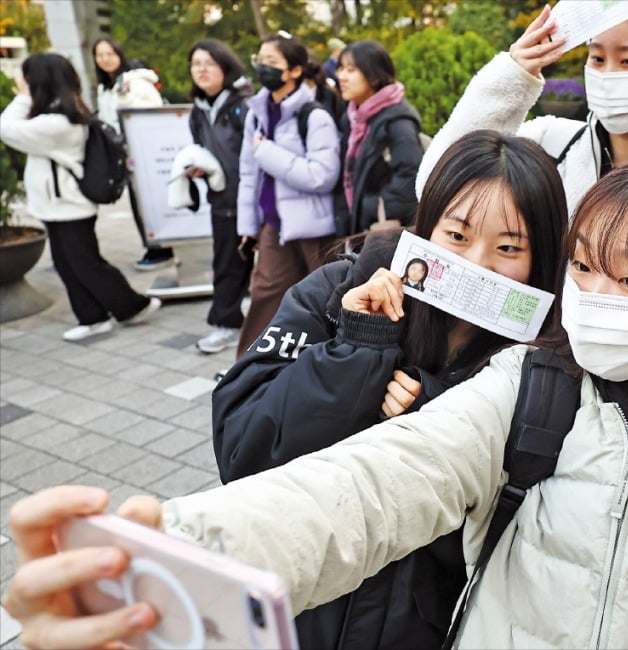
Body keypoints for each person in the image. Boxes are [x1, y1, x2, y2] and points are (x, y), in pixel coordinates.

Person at [4, 155, 628, 650]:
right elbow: (366, 492)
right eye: (588, 270)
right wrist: (166, 562)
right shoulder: (529, 386)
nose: (597, 296)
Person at [211, 130, 567, 649]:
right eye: (458, 235)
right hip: (299, 608)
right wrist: (356, 351)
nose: (477, 263)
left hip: (424, 627)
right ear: (426, 228)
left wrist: (441, 422)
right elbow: (241, 450)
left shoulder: (544, 364)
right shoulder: (339, 289)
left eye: (509, 247)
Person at [416, 0, 628, 216]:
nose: (607, 74)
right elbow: (437, 185)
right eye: (597, 59)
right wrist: (511, 75)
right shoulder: (549, 146)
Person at [0, 54, 161, 341]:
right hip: (57, 206)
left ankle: (134, 306)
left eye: (26, 78)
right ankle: (93, 317)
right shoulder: (58, 114)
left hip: (69, 207)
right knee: (69, 264)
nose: (21, 84)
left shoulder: (57, 122)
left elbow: (5, 128)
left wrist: (23, 98)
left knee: (87, 264)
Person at [236, 32, 342, 358]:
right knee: (264, 293)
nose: (262, 67)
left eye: (271, 62)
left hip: (314, 228)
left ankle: (333, 362)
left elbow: (322, 176)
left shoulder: (314, 115)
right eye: (259, 60)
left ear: (294, 70)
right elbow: (248, 173)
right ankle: (248, 367)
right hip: (274, 223)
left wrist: (267, 151)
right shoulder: (256, 113)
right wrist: (247, 225)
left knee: (327, 300)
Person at [185, 39, 256, 355]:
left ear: (225, 68)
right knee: (227, 262)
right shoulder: (198, 111)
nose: (201, 70)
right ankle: (228, 324)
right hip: (222, 200)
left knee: (266, 268)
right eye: (195, 64)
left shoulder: (244, 105)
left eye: (208, 63)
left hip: (254, 201)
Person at [92, 37, 173, 272]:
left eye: (110, 53)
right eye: (100, 55)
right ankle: (154, 245)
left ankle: (162, 247)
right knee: (137, 203)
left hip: (143, 154)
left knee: (148, 202)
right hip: (123, 154)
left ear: (120, 55)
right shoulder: (104, 87)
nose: (105, 59)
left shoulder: (134, 83)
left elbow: (151, 116)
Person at [335, 39, 423, 236]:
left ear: (374, 77)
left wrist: (369, 208)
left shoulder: (397, 120)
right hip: (355, 223)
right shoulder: (352, 117)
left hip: (380, 227)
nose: (342, 76)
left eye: (351, 70)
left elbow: (411, 176)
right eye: (340, 68)